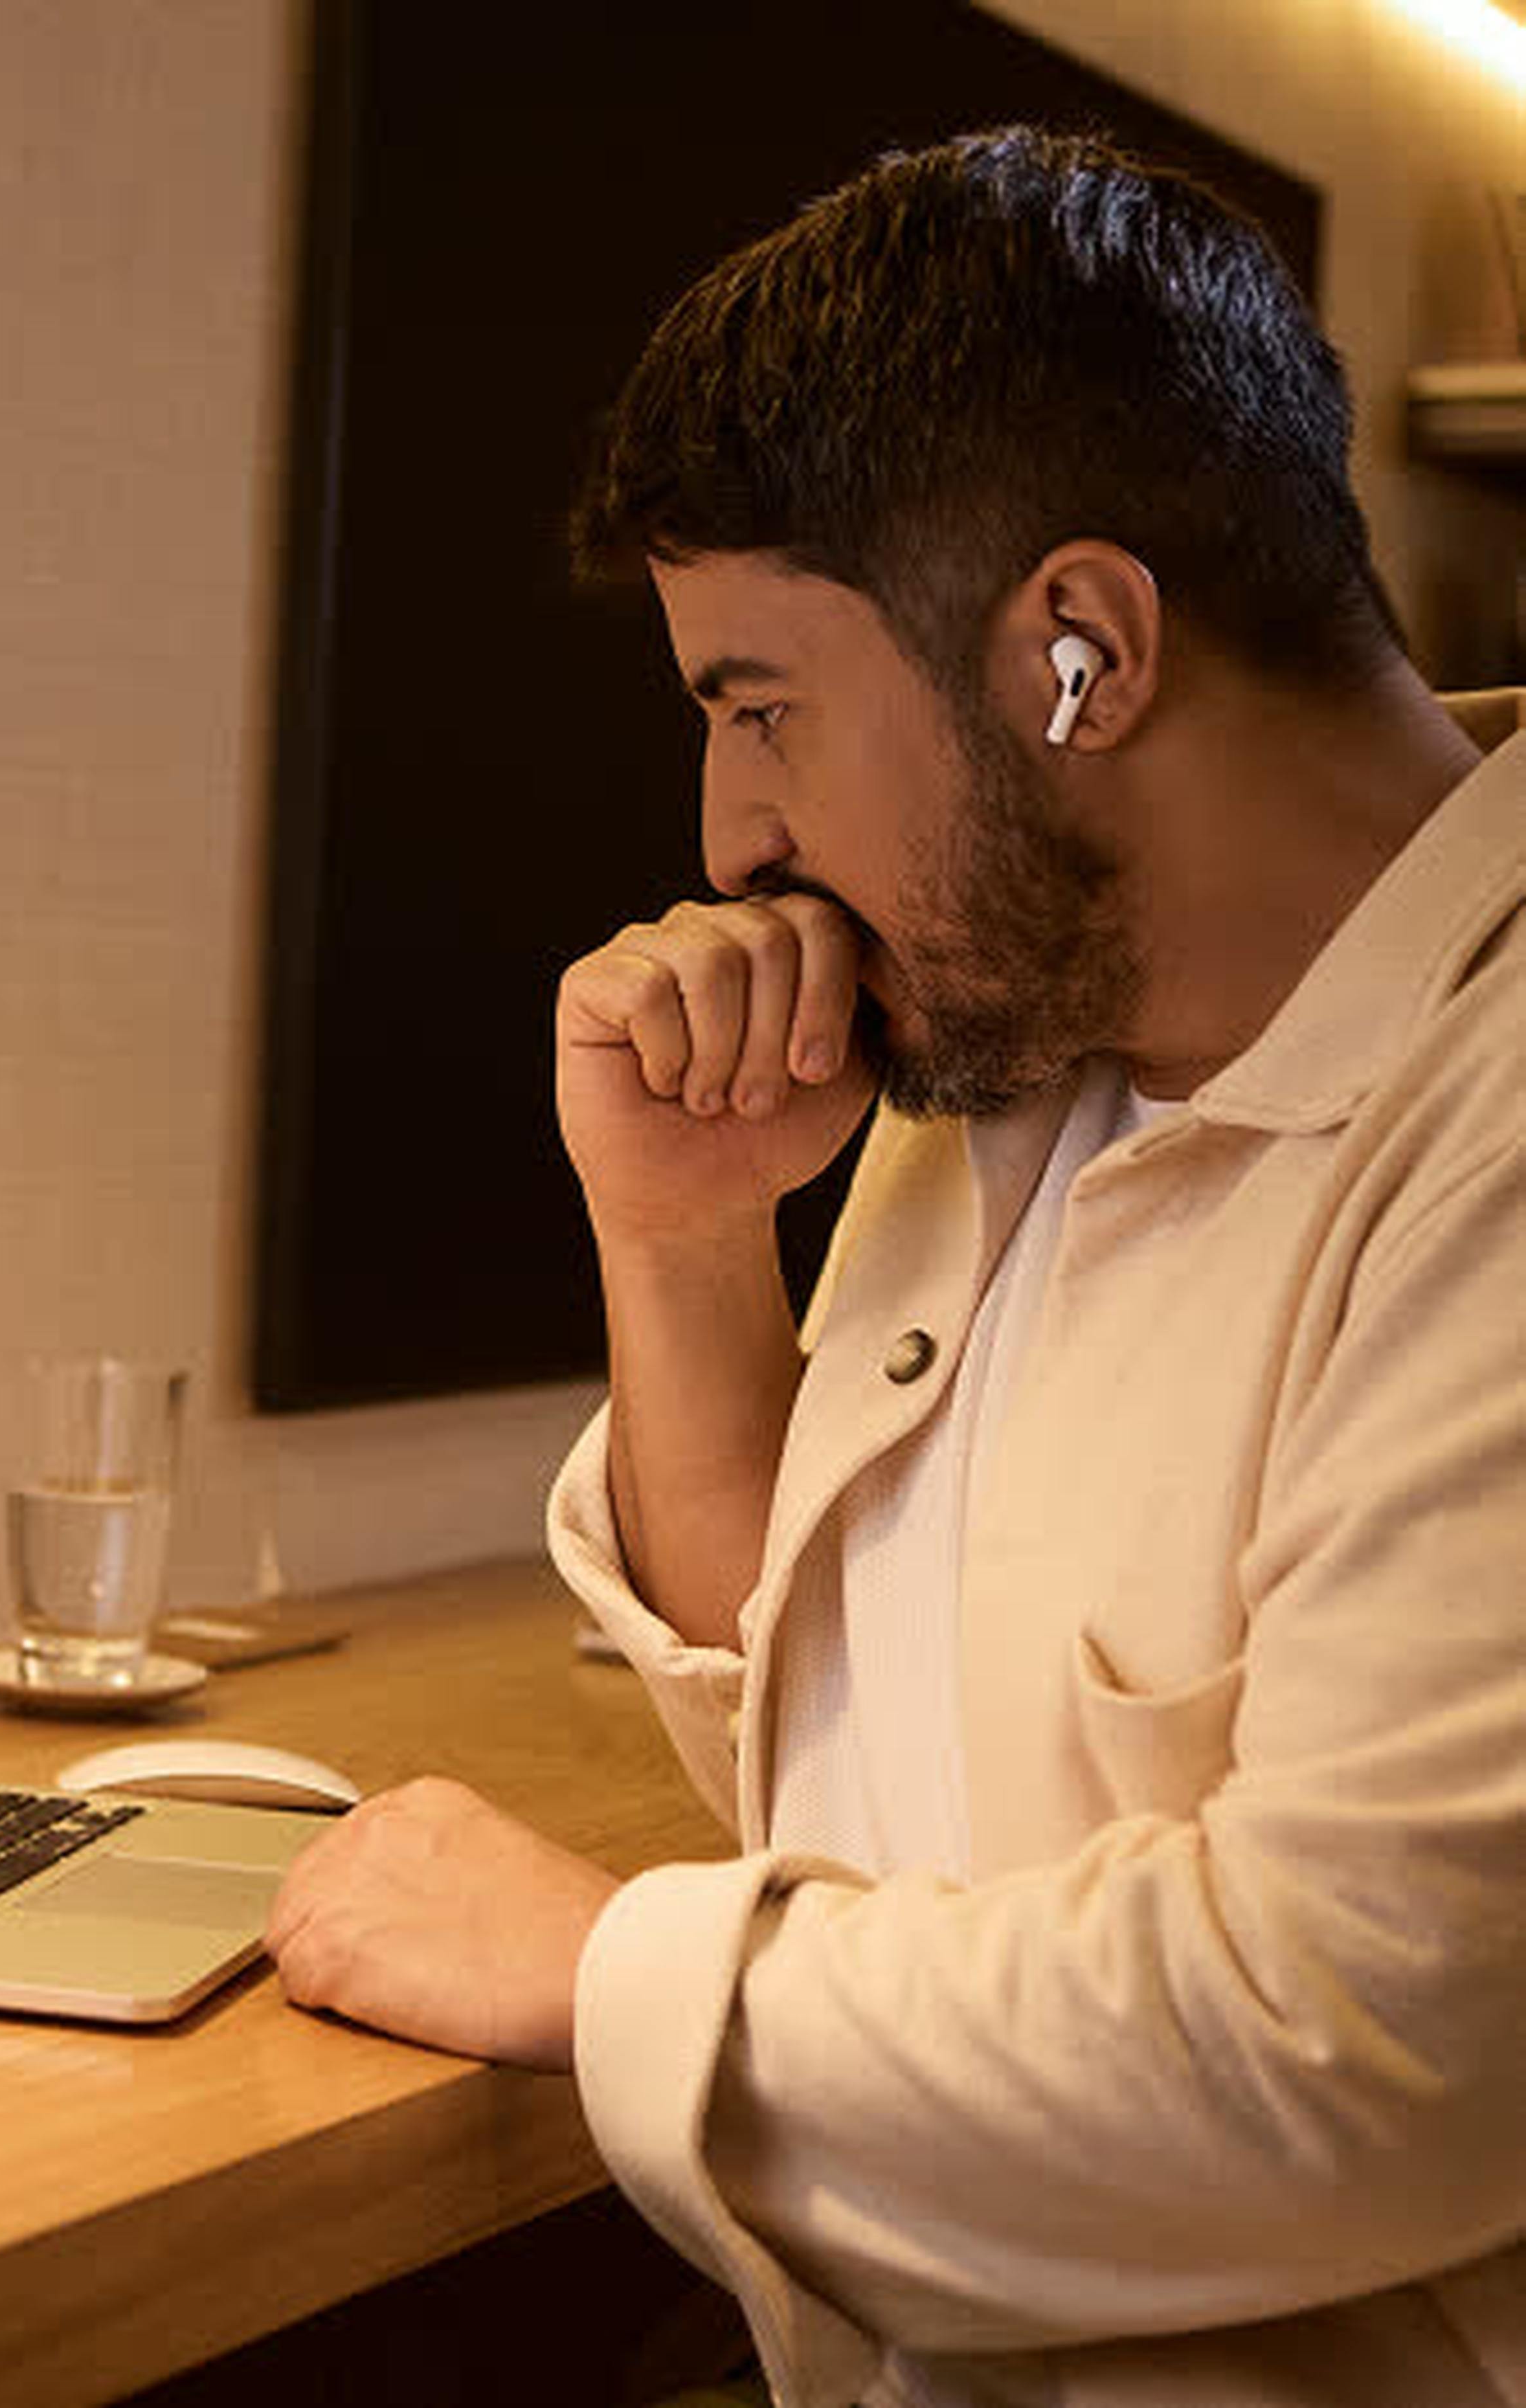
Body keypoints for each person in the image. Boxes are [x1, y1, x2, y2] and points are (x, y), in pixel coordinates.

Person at [265, 127, 1525, 2408]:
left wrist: (603, 1967)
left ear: (1077, 652)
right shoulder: (1035, 1038)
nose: (730, 838)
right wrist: (683, 1245)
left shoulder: (1490, 1117)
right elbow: (824, 1747)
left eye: (760, 707)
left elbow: (1357, 2042)